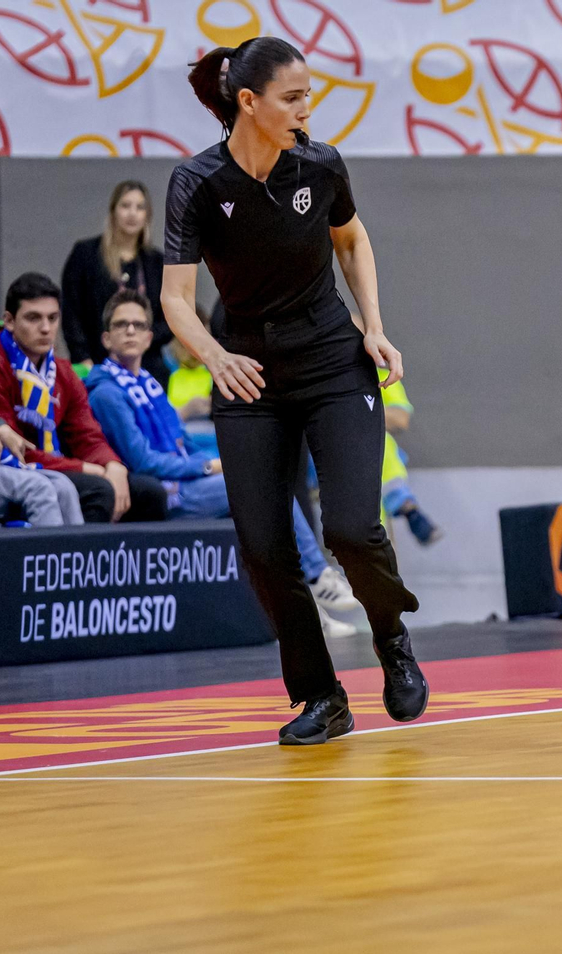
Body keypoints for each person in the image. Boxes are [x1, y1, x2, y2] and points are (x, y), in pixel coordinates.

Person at [161, 36, 424, 745]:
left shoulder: (320, 163)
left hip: (334, 361)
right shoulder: (198, 183)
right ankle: (320, 695)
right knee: (265, 547)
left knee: (349, 528)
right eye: (294, 97)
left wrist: (374, 325)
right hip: (247, 371)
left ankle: (390, 635)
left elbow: (352, 240)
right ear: (248, 102)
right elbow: (176, 298)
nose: (307, 108)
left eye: (308, 94)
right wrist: (214, 357)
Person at [85, 288, 362, 636]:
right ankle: (318, 576)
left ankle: (308, 615)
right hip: (168, 493)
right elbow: (142, 461)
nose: (130, 331)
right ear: (106, 337)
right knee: (267, 491)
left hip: (188, 483)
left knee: (266, 525)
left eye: (138, 325)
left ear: (149, 336)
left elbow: (181, 444)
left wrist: (215, 461)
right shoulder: (107, 392)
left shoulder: (150, 385)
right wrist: (206, 467)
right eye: (121, 325)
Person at [0, 272, 167, 524]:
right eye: (34, 318)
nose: (46, 328)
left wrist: (112, 465)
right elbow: (15, 450)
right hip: (14, 468)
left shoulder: (63, 372)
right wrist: (87, 469)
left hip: (59, 463)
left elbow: (87, 435)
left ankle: (124, 562)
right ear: (9, 321)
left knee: (149, 493)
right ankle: (84, 562)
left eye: (53, 318)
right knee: (99, 490)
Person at [61, 180, 171, 383]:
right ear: (113, 211)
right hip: (97, 363)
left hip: (148, 367)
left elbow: (171, 319)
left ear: (147, 215)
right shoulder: (85, 254)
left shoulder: (157, 262)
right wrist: (82, 357)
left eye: (139, 207)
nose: (132, 213)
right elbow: (71, 312)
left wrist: (140, 339)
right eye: (125, 205)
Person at [0, 355, 82, 526]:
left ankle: (75, 552)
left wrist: (0, 426)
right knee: (39, 489)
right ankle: (49, 552)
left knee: (64, 486)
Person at [377, 366, 442, 545]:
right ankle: (406, 505)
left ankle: (402, 501)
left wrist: (352, 408)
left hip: (374, 472)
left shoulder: (381, 372)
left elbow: (400, 419)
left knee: (379, 440)